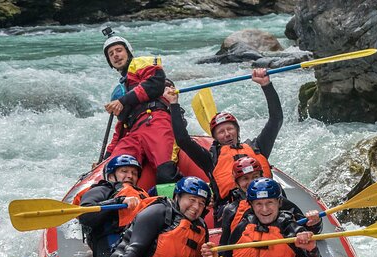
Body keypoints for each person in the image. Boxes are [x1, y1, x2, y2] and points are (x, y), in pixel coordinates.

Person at [164, 68, 283, 218]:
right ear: (215, 137)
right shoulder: (210, 159)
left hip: (266, 205)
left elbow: (276, 119)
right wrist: (173, 105)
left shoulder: (257, 148)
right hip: (232, 213)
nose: (227, 134)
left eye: (230, 129)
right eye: (221, 131)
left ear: (237, 131)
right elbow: (182, 140)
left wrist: (266, 85)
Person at [98, 176, 229, 257]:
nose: (196, 207)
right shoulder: (158, 211)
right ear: (177, 197)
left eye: (201, 203)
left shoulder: (201, 226)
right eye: (192, 200)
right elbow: (134, 250)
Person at [102, 31, 180, 184]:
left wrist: (123, 100)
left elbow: (155, 83)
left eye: (119, 50)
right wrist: (105, 159)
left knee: (165, 173)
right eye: (111, 54)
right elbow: (121, 128)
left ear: (128, 52)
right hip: (133, 133)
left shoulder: (140, 62)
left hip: (155, 121)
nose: (116, 55)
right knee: (115, 169)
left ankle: (172, 204)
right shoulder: (120, 90)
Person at [224, 178, 327, 257]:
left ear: (279, 202)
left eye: (269, 202)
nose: (264, 209)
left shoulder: (291, 229)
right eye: (258, 204)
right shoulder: (242, 227)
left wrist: (312, 250)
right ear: (252, 205)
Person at [219, 157, 323, 245]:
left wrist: (315, 222)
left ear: (262, 177)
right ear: (237, 184)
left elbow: (310, 232)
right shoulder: (231, 210)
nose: (251, 182)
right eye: (245, 179)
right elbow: (225, 245)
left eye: (255, 177)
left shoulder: (279, 202)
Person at [78, 155, 154, 257]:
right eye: (124, 171)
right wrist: (118, 201)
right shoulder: (102, 190)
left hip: (139, 253)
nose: (130, 176)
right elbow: (85, 214)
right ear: (111, 176)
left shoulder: (142, 195)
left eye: (134, 173)